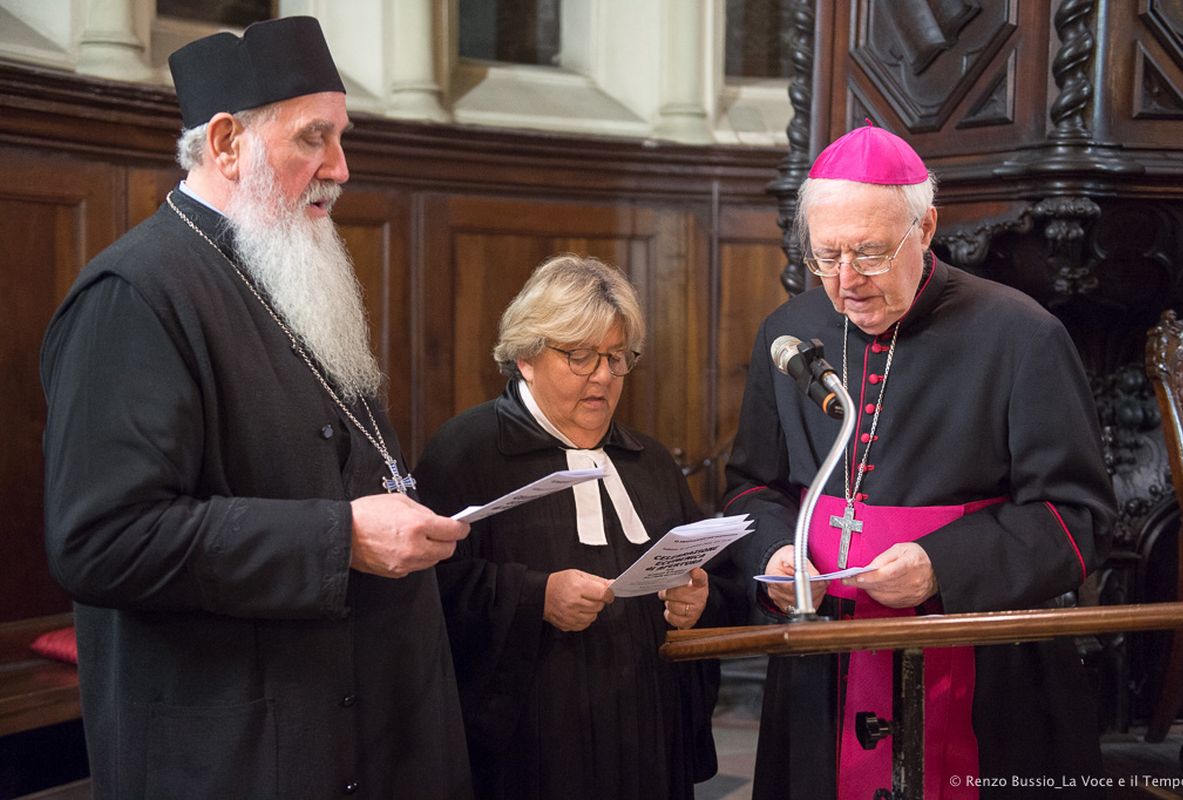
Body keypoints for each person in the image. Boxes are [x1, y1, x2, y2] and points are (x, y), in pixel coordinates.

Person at [40, 17, 472, 800]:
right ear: (228, 142)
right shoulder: (136, 294)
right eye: (314, 138)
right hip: (230, 752)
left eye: (341, 138)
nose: (340, 168)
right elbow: (100, 540)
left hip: (358, 728)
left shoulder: (291, 273)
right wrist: (339, 537)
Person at [724, 122, 1116, 799]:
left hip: (984, 666)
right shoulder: (788, 333)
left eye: (869, 254)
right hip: (825, 661)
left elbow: (1074, 519)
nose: (845, 282)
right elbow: (749, 490)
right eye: (827, 255)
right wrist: (775, 559)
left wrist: (942, 565)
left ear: (925, 226)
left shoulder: (1021, 335)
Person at [416, 254, 742, 800]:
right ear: (525, 356)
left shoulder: (650, 461)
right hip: (529, 750)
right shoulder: (465, 454)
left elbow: (714, 580)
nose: (603, 377)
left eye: (616, 358)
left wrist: (699, 602)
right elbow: (426, 596)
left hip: (648, 738)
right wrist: (533, 595)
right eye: (580, 356)